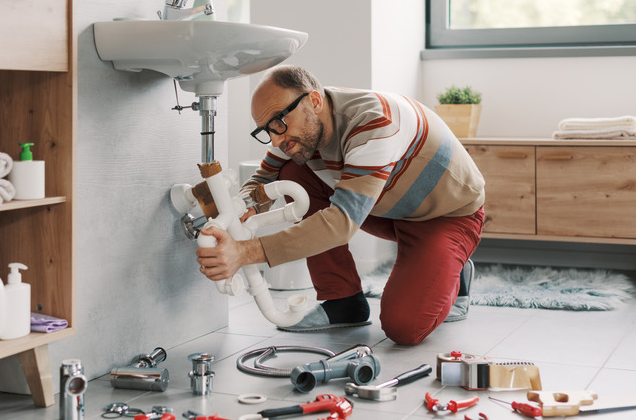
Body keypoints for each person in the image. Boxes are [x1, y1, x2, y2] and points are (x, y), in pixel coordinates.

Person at [196, 65, 485, 345]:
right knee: (293, 170)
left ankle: (455, 269)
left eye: (278, 124)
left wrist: (245, 253)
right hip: (388, 207)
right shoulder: (297, 123)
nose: (276, 138)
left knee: (404, 327)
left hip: (445, 217)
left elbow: (341, 223)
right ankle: (343, 302)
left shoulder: (375, 123)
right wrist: (245, 207)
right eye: (266, 130)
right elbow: (264, 177)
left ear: (315, 100)